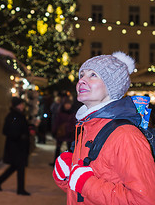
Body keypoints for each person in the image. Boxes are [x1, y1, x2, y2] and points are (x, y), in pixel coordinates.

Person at [52, 52, 155, 205]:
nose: (82, 81)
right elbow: (86, 196)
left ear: (112, 86)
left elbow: (144, 200)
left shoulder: (126, 135)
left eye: (93, 75)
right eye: (82, 75)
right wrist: (66, 177)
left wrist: (86, 183)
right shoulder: (86, 127)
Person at [0, 97, 30, 196]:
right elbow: (7, 130)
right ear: (17, 105)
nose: (23, 106)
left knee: (16, 166)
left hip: (19, 145)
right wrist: (21, 135)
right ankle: (20, 189)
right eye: (21, 104)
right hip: (16, 146)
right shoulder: (13, 116)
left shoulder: (19, 115)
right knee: (20, 167)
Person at [50, 97, 76, 166]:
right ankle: (56, 162)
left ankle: (69, 163)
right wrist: (54, 131)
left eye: (69, 104)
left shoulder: (73, 113)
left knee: (70, 149)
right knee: (58, 148)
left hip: (69, 134)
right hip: (61, 133)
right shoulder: (60, 113)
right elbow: (56, 123)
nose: (68, 106)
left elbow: (74, 123)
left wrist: (71, 130)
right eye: (66, 104)